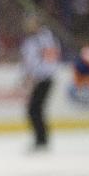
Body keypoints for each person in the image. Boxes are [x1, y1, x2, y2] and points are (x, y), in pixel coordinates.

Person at [19, 13, 60, 152]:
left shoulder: (37, 40)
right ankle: (41, 139)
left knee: (34, 109)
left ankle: (41, 139)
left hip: (43, 78)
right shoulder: (48, 37)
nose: (26, 26)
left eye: (30, 23)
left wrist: (29, 76)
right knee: (36, 109)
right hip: (46, 77)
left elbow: (33, 61)